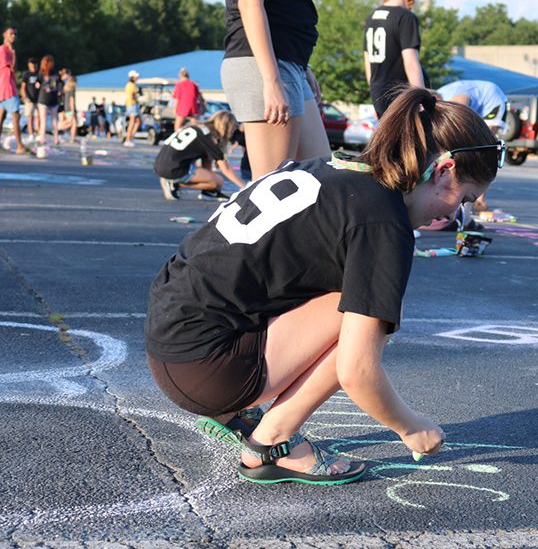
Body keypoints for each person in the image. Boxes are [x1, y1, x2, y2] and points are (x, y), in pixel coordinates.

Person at [144, 87, 503, 485]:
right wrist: (412, 427)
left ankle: (236, 413)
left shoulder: (331, 167)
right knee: (367, 313)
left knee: (362, 297)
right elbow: (357, 371)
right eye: (465, 198)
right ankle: (272, 441)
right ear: (443, 170)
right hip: (204, 370)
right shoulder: (382, 221)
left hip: (169, 340)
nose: (456, 213)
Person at [221, 0, 331, 182]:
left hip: (289, 61)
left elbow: (286, 3)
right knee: (272, 190)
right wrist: (271, 80)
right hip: (264, 64)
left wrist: (302, 64)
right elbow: (249, 4)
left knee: (320, 181)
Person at [436, 79, 508, 213]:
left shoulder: (456, 100)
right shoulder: (441, 97)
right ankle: (472, 196)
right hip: (474, 103)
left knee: (486, 147)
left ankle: (480, 199)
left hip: (492, 99)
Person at [364, 0, 426, 118]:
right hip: (401, 95)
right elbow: (410, 62)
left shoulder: (372, 16)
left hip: (378, 93)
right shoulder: (405, 17)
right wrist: (421, 97)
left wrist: (375, 95)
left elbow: (367, 60)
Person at [154, 110, 247, 201]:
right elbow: (226, 169)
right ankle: (173, 183)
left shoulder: (199, 128)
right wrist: (244, 187)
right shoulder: (209, 137)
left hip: (161, 164)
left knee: (207, 159)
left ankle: (209, 192)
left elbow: (205, 157)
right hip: (173, 169)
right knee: (219, 181)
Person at [0, 26, 24, 154]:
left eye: (15, 34)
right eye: (11, 34)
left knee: (1, 117)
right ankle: (20, 146)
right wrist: (13, 54)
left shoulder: (9, 50)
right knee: (15, 116)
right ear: (4, 35)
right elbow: (11, 69)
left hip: (6, 87)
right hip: (7, 87)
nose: (13, 36)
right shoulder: (3, 50)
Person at [36, 54, 62, 151]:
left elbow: (37, 85)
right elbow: (57, 86)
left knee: (43, 120)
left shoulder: (41, 73)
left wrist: (45, 87)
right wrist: (51, 88)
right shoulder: (55, 73)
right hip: (53, 99)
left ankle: (42, 138)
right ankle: (56, 138)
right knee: (54, 119)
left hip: (43, 98)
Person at [20, 57, 40, 145]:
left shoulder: (39, 73)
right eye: (31, 64)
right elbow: (23, 87)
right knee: (30, 117)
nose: (33, 66)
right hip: (29, 99)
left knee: (38, 117)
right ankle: (31, 134)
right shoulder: (26, 74)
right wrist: (25, 97)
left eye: (34, 64)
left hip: (39, 99)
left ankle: (38, 134)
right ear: (29, 65)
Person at [58, 69, 78, 143]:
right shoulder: (71, 89)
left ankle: (73, 138)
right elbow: (71, 100)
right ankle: (57, 129)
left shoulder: (66, 88)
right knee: (71, 123)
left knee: (73, 123)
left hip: (66, 108)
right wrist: (73, 110)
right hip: (70, 108)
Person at [122, 70, 141, 148]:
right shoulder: (130, 85)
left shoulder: (132, 84)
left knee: (138, 122)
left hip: (133, 104)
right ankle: (128, 140)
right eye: (136, 77)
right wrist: (137, 95)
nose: (137, 78)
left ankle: (130, 138)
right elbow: (132, 95)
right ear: (132, 77)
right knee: (132, 122)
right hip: (132, 105)